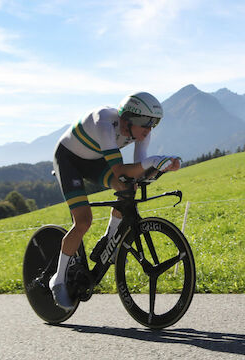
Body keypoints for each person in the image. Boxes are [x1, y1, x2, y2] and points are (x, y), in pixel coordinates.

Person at [50, 91, 180, 311]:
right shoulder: (104, 123)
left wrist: (160, 168)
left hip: (95, 160)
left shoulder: (141, 133)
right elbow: (120, 169)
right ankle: (58, 279)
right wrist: (156, 161)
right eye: (146, 124)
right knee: (83, 222)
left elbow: (137, 172)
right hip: (68, 159)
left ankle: (108, 239)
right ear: (128, 119)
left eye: (154, 124)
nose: (149, 130)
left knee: (129, 186)